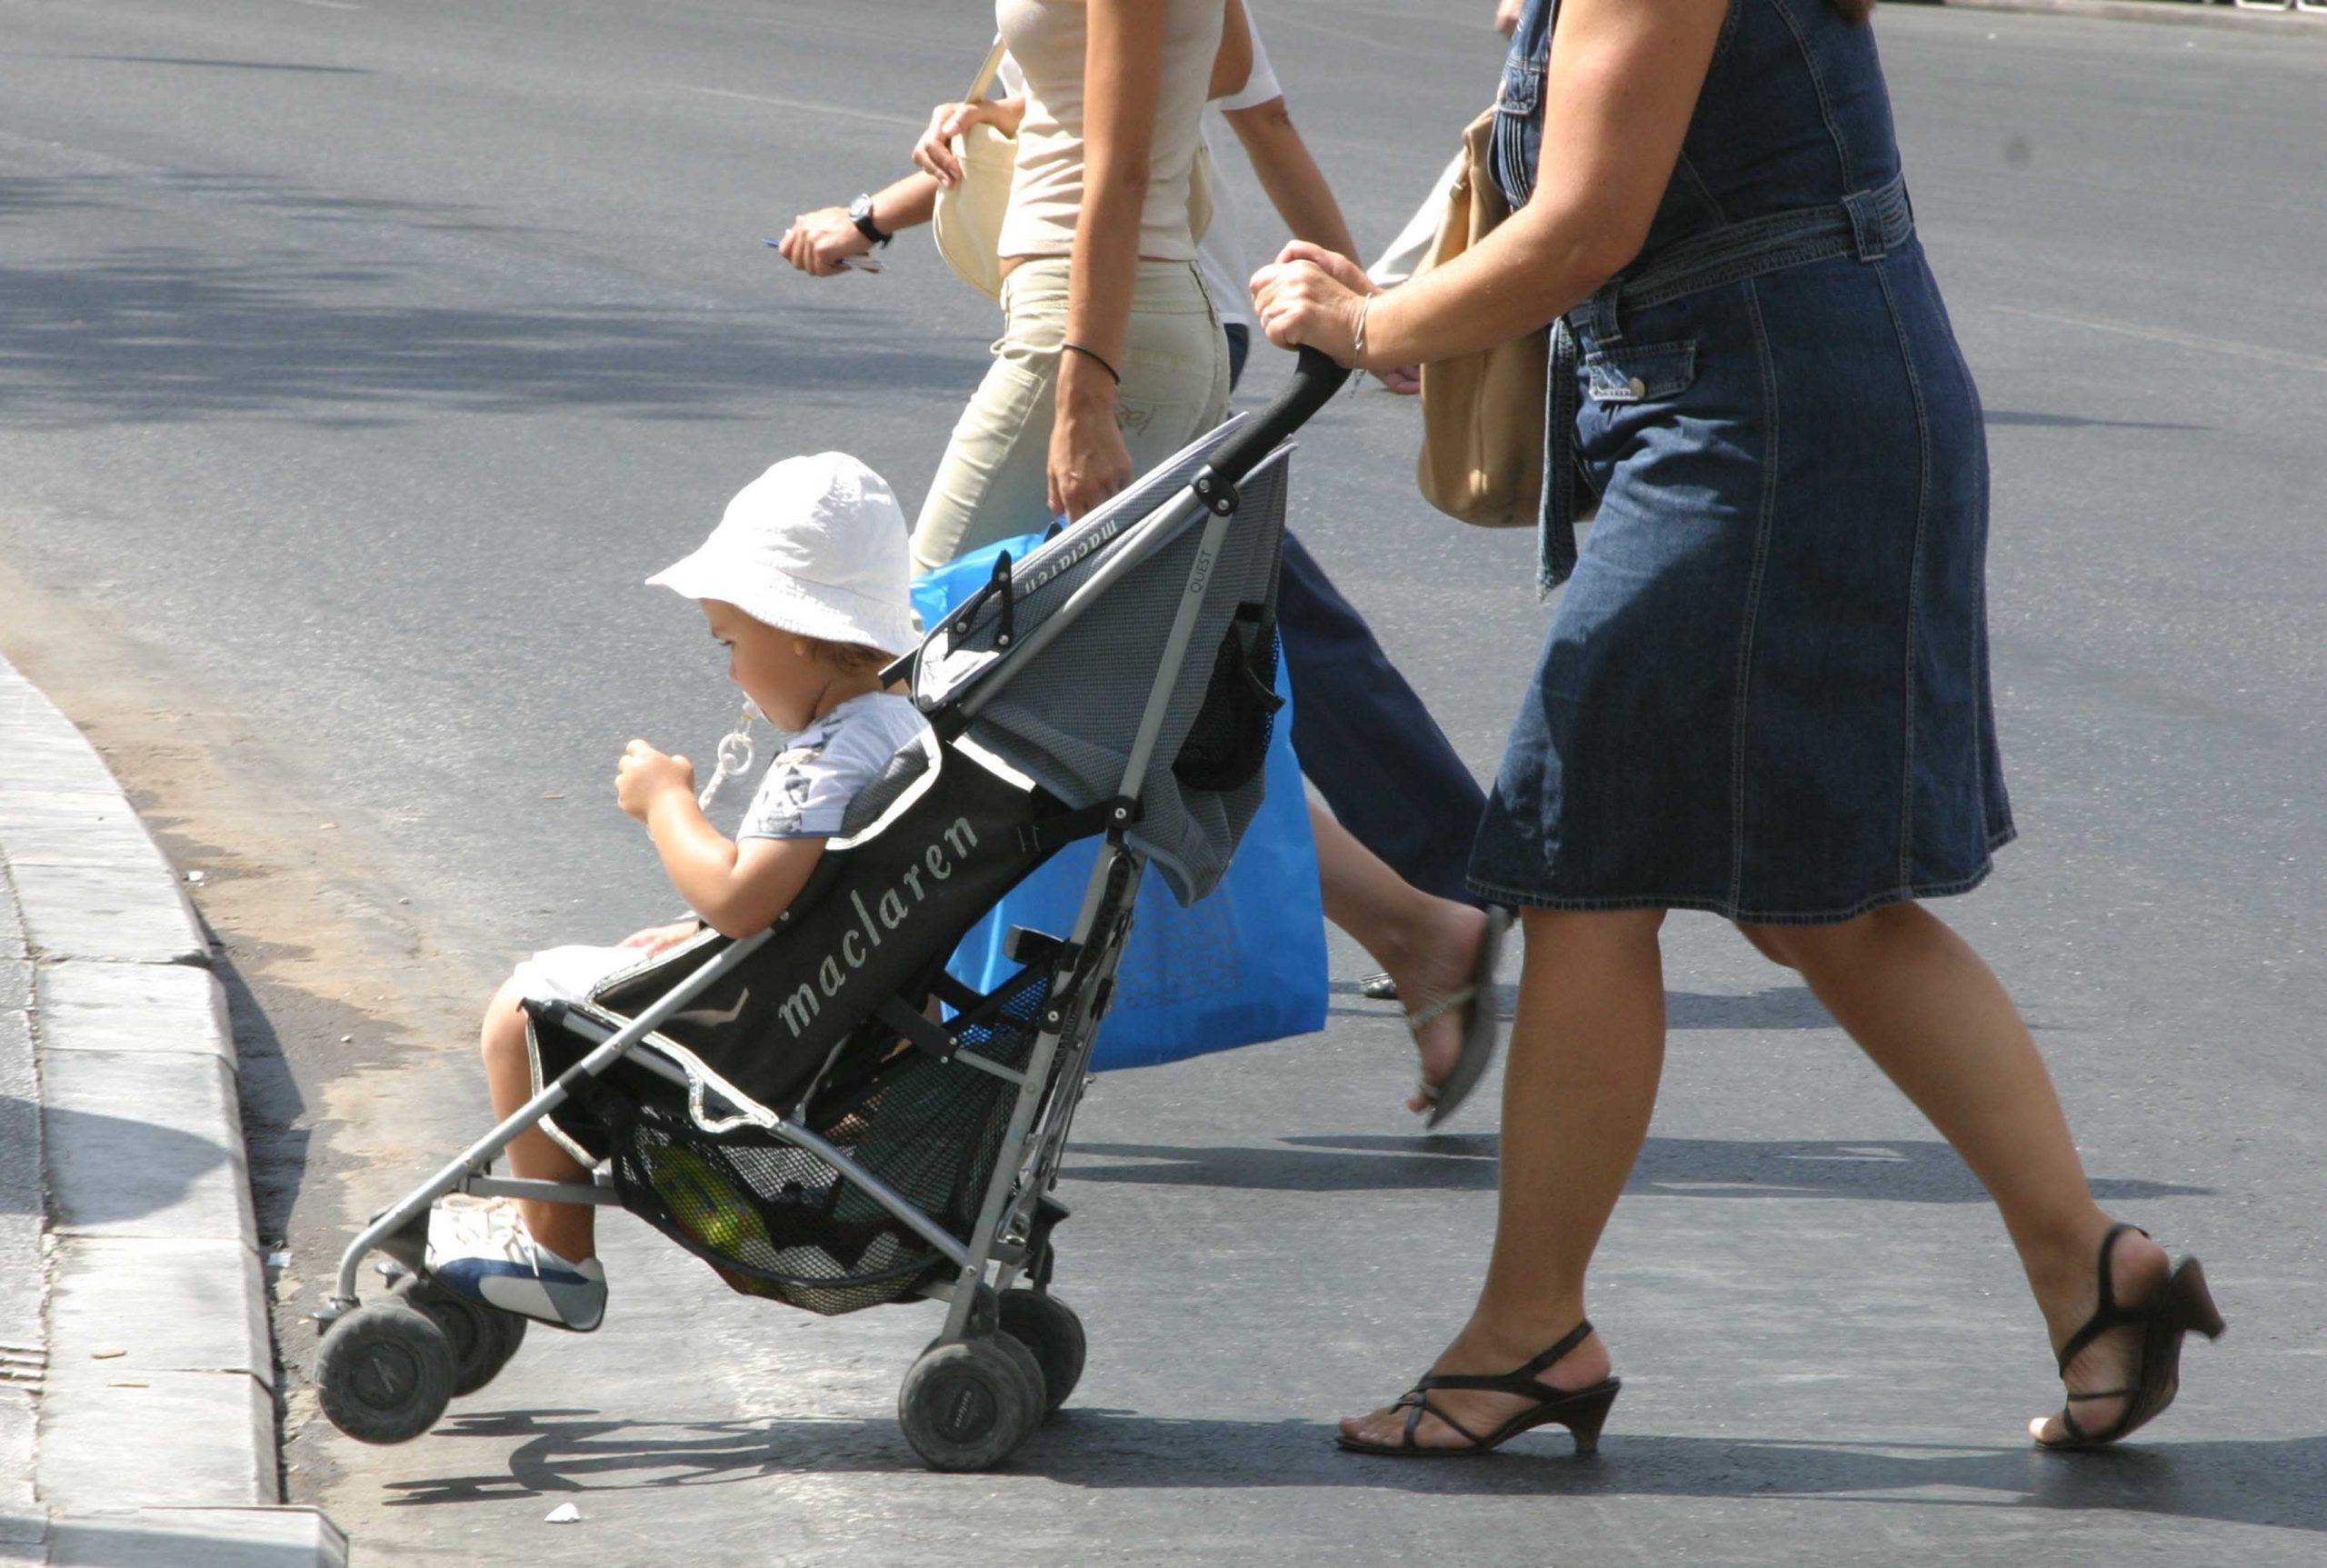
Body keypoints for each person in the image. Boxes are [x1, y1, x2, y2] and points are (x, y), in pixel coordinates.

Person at [1253, 0, 2220, 1453]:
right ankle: (2089, 1267)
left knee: (1587, 865)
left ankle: (1531, 1332)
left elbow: (1584, 226)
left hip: (1763, 428)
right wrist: (1410, 301)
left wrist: (1378, 322)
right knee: (1816, 903)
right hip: (1757, 412)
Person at [779, 2, 1499, 1121]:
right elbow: (1160, 94)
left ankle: (827, 1031)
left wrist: (1082, 391)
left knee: (896, 672)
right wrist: (1000, 119)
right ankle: (1419, 929)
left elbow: (1119, 169)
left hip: (1091, 327)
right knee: (1094, 703)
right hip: (1115, 320)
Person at [424, 453, 928, 1331]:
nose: (731, 671)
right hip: (812, 998)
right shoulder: (893, 724)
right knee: (585, 980)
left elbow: (741, 894)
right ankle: (544, 1225)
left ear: (798, 632)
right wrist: (701, 935)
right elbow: (801, 894)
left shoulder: (825, 755)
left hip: (765, 1036)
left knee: (521, 1009)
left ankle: (557, 1247)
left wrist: (667, 804)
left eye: (732, 643)